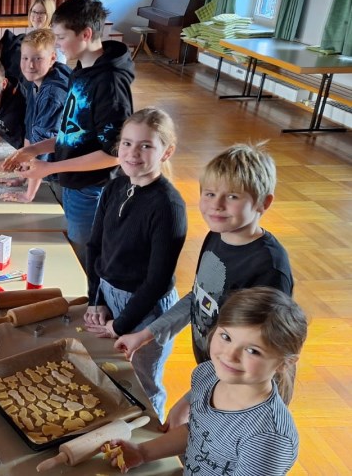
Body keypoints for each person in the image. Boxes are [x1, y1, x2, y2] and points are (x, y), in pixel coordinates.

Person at [115, 142, 291, 429]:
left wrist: (192, 398)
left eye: (232, 196)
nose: (216, 205)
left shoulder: (268, 270)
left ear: (263, 203)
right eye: (209, 194)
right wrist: (147, 334)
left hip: (240, 389)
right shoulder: (218, 236)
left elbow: (254, 356)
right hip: (213, 370)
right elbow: (199, 297)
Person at [107, 287, 307, 474]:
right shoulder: (208, 374)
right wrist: (143, 452)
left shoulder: (267, 439)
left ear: (284, 363)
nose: (230, 355)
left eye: (252, 350)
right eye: (226, 337)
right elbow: (198, 431)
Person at [5, 0, 134, 269]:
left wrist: (50, 169)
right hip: (72, 182)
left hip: (92, 189)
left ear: (85, 34)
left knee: (86, 257)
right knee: (75, 243)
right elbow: (73, 133)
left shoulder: (109, 83)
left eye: (61, 37)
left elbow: (115, 154)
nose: (58, 44)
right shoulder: (81, 71)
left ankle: (95, 304)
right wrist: (35, 149)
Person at [82, 108, 187, 421]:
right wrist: (96, 300)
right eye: (127, 143)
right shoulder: (115, 186)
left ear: (166, 151)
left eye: (146, 146)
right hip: (110, 294)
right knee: (114, 368)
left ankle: (150, 442)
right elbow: (95, 246)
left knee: (144, 379)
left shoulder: (168, 206)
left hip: (148, 309)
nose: (132, 153)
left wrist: (122, 323)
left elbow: (156, 281)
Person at [0, 28, 70, 204]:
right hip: (50, 165)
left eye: (38, 59)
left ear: (53, 58)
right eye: (25, 58)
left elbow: (40, 144)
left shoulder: (52, 94)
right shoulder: (33, 82)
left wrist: (28, 195)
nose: (30, 65)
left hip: (68, 173)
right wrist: (22, 177)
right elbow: (31, 130)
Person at [27, 0, 67, 64]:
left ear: (50, 14)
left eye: (41, 13)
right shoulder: (30, 35)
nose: (36, 16)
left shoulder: (56, 40)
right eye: (34, 11)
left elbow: (60, 66)